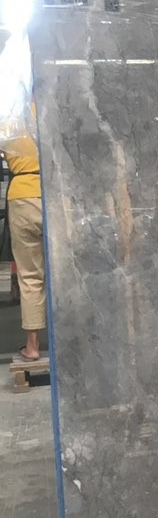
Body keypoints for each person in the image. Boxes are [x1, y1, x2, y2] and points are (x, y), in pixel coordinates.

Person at [1, 124, 45, 363]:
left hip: (21, 196)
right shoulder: (48, 112)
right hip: (53, 191)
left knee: (30, 276)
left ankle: (32, 346)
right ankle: (71, 338)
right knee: (65, 272)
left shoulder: (8, 121)